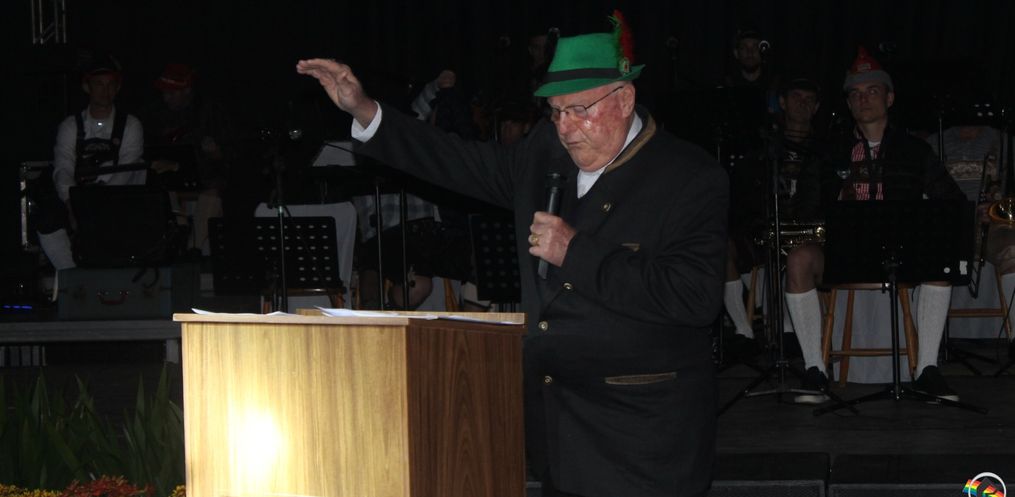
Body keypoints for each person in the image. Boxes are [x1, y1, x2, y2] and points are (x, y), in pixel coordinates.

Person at [298, 12, 727, 497]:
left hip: (642, 436)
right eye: (555, 112)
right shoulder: (545, 152)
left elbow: (694, 298)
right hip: (559, 432)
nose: (566, 128)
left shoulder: (687, 177)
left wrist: (574, 251)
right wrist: (364, 110)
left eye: (579, 110)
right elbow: (457, 160)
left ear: (624, 99)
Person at [783, 47, 966, 404]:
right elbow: (804, 209)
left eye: (872, 91)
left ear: (890, 98)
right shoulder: (828, 152)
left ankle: (927, 370)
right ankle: (815, 370)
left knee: (940, 255)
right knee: (799, 259)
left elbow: (952, 201)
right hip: (843, 252)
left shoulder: (915, 150)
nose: (863, 99)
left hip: (902, 251)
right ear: (848, 103)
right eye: (855, 93)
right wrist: (832, 205)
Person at [725, 77, 824, 354]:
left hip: (811, 231)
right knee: (721, 246)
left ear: (816, 107)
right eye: (796, 97)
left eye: (809, 100)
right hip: (767, 230)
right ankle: (744, 332)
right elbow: (745, 198)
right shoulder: (765, 147)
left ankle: (791, 332)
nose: (802, 104)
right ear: (782, 102)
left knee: (797, 254)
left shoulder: (825, 148)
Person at [35, 54, 145, 272]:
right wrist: (71, 202)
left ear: (118, 88)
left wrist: (98, 204)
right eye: (99, 84)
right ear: (87, 87)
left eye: (110, 85)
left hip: (119, 199)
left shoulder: (131, 125)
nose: (105, 91)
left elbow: (127, 170)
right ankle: (72, 275)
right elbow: (63, 168)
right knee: (46, 219)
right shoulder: (70, 126)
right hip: (80, 196)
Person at [142, 62, 235, 256]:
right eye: (164, 93)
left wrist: (214, 152)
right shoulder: (156, 112)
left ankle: (194, 249)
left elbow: (228, 156)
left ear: (187, 90)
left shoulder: (210, 111)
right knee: (158, 188)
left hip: (205, 177)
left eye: (172, 93)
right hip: (170, 180)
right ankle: (177, 237)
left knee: (214, 189)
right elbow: (148, 151)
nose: (167, 97)